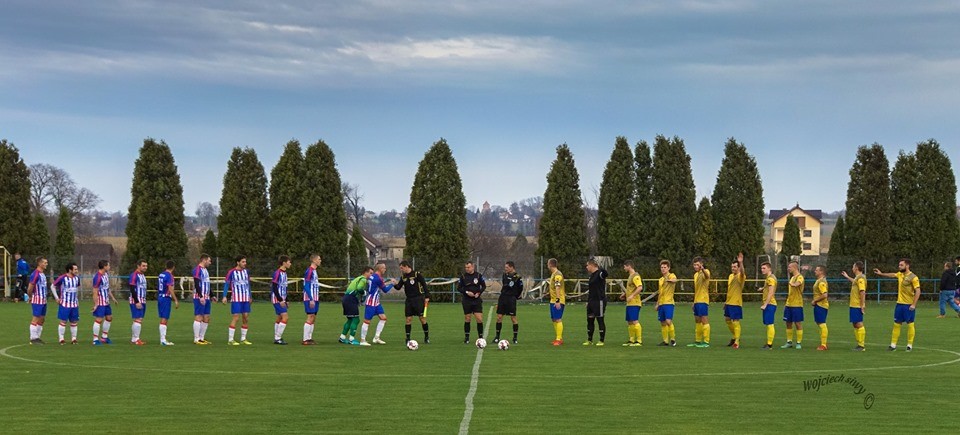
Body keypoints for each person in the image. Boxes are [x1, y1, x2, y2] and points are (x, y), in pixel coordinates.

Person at [874, 259, 921, 351]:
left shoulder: (913, 277)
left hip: (908, 305)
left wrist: (914, 304)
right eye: (899, 265)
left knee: (910, 324)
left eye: (901, 265)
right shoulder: (900, 274)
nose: (899, 266)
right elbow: (892, 274)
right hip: (899, 304)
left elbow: (918, 291)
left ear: (907, 266)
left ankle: (909, 345)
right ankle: (893, 345)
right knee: (896, 324)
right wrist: (881, 274)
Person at [395, 260, 431, 345]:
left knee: (422, 319)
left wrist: (427, 296)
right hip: (409, 300)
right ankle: (407, 338)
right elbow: (398, 287)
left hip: (418, 299)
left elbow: (424, 285)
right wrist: (394, 284)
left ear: (406, 266)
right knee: (408, 319)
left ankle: (426, 337)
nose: (401, 270)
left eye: (402, 268)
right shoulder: (403, 277)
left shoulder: (417, 274)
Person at [359, 262, 396, 346]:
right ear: (380, 269)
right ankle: (362, 340)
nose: (385, 269)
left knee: (383, 318)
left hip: (376, 302)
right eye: (384, 268)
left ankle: (376, 338)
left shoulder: (373, 276)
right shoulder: (378, 278)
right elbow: (385, 290)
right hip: (371, 302)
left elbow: (377, 286)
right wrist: (392, 284)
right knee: (367, 321)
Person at [222, 256, 253, 346]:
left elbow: (248, 285)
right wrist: (224, 296)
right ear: (237, 262)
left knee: (246, 317)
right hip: (236, 298)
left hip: (245, 298)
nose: (245, 263)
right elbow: (227, 284)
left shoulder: (246, 272)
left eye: (245, 262)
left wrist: (250, 296)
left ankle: (243, 338)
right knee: (236, 317)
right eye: (243, 262)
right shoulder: (231, 272)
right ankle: (230, 339)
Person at [340, 267, 372, 345]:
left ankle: (342, 337)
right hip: (351, 299)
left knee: (350, 319)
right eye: (370, 273)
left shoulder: (358, 278)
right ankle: (351, 339)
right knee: (356, 319)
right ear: (365, 272)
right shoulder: (363, 279)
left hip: (346, 298)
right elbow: (359, 288)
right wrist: (363, 292)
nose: (371, 275)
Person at [52, 263, 81, 345]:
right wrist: (57, 298)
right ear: (70, 270)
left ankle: (74, 339)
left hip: (74, 304)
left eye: (77, 269)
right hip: (65, 303)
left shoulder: (77, 279)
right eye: (75, 269)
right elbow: (52, 286)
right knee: (63, 321)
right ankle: (61, 339)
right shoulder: (62, 278)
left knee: (74, 321)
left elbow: (76, 289)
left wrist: (77, 299)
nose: (76, 271)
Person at [841, 261, 867, 351]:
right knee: (855, 324)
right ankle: (859, 344)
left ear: (856, 268)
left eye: (853, 266)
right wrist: (847, 277)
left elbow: (862, 292)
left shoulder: (860, 279)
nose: (852, 268)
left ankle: (861, 345)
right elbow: (855, 282)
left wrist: (862, 305)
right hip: (853, 304)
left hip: (857, 305)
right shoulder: (858, 278)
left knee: (859, 323)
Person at [459, 261, 488, 344]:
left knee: (479, 319)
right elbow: (459, 288)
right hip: (466, 300)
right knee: (467, 318)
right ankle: (467, 337)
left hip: (476, 300)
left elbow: (484, 286)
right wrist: (467, 292)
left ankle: (481, 338)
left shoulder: (478, 276)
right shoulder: (463, 277)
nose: (467, 269)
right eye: (466, 267)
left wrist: (479, 293)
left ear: (473, 267)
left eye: (468, 267)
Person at [494, 261, 522, 345]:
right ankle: (497, 337)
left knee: (513, 318)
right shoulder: (504, 275)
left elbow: (520, 288)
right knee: (499, 317)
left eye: (506, 267)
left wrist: (515, 296)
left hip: (511, 299)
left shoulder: (517, 277)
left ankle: (515, 338)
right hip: (503, 298)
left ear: (511, 267)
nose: (505, 269)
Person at [91, 260, 118, 345]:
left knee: (109, 318)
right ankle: (95, 339)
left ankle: (104, 337)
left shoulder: (106, 275)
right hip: (100, 302)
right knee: (99, 319)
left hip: (106, 301)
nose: (109, 267)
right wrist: (96, 304)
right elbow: (95, 291)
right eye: (108, 266)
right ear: (104, 266)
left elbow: (107, 288)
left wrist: (113, 298)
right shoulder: (97, 277)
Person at [583, 259, 609, 346]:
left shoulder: (600, 274)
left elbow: (605, 274)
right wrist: (588, 301)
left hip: (599, 301)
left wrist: (601, 266)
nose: (586, 267)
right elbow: (591, 290)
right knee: (590, 320)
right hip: (591, 302)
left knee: (600, 320)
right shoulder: (591, 276)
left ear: (592, 265)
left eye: (587, 265)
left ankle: (601, 340)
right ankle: (589, 339)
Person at [653, 260, 678, 347]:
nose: (663, 269)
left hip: (669, 302)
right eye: (662, 267)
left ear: (668, 268)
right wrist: (657, 303)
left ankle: (673, 339)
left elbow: (674, 280)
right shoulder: (660, 280)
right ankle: (665, 341)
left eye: (665, 267)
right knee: (663, 322)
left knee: (668, 321)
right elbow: (660, 293)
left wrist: (669, 280)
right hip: (661, 303)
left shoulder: (671, 275)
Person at [724, 253, 746, 349]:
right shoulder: (730, 276)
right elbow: (729, 290)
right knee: (727, 320)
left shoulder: (740, 276)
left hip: (736, 302)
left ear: (738, 268)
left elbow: (743, 273)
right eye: (732, 266)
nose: (733, 268)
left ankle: (737, 341)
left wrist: (741, 263)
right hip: (729, 302)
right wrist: (726, 302)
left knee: (735, 321)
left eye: (735, 267)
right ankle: (735, 336)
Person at [781, 261, 805, 349]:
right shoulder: (792, 278)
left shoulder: (800, 277)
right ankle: (789, 342)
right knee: (788, 323)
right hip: (789, 304)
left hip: (797, 305)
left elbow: (798, 283)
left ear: (795, 268)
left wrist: (794, 284)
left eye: (789, 267)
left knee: (798, 323)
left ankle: (798, 342)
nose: (788, 269)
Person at [689, 257, 712, 348]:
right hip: (697, 300)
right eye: (694, 265)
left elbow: (707, 276)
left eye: (697, 264)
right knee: (697, 320)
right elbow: (696, 290)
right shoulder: (695, 275)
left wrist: (703, 269)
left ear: (701, 264)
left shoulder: (705, 271)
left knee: (704, 320)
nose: (695, 266)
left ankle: (706, 342)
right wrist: (694, 302)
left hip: (703, 300)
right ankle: (698, 341)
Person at [618, 260, 641, 347]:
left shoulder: (635, 276)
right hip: (630, 303)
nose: (624, 268)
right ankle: (631, 340)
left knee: (635, 321)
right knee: (630, 321)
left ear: (629, 266)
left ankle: (639, 341)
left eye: (624, 266)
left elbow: (640, 287)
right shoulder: (630, 276)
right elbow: (632, 288)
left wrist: (631, 296)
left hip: (635, 302)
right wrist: (625, 294)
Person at [27, 257, 49, 345]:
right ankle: (33, 338)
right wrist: (30, 296)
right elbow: (30, 287)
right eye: (45, 262)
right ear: (39, 264)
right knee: (35, 318)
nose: (46, 264)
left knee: (42, 319)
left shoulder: (42, 274)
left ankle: (38, 337)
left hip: (43, 300)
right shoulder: (35, 274)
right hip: (37, 299)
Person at [157, 260, 180, 346]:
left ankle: (163, 339)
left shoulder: (161, 274)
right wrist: (176, 300)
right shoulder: (169, 276)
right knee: (165, 318)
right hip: (166, 298)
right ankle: (163, 340)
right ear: (173, 267)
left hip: (160, 297)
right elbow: (170, 288)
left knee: (163, 317)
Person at [192, 254, 213, 345]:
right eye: (209, 260)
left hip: (207, 297)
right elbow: (196, 283)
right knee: (199, 316)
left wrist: (212, 295)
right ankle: (196, 339)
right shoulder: (197, 270)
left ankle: (201, 338)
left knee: (206, 317)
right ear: (204, 260)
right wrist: (200, 296)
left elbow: (207, 284)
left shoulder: (205, 270)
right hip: (199, 297)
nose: (210, 262)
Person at [272, 255, 292, 345]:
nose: (290, 264)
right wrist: (280, 300)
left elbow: (285, 288)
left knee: (280, 317)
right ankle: (278, 338)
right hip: (277, 299)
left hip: (282, 298)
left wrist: (286, 299)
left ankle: (276, 337)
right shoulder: (277, 273)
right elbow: (274, 287)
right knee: (285, 317)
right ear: (284, 263)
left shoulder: (285, 273)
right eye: (289, 262)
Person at [302, 254, 322, 345]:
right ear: (314, 260)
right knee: (310, 316)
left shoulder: (314, 271)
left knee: (313, 317)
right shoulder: (309, 271)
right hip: (310, 298)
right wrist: (311, 298)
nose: (320, 260)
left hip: (315, 298)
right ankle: (305, 339)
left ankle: (309, 338)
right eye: (319, 259)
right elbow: (306, 286)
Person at [129, 260, 149, 346]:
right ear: (138, 266)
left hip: (143, 300)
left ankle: (134, 339)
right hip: (136, 300)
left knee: (138, 319)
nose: (145, 267)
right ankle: (137, 339)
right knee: (138, 319)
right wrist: (137, 301)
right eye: (143, 266)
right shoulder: (134, 275)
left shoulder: (142, 275)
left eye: (146, 266)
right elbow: (132, 288)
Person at [545, 258, 565, 346]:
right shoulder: (553, 274)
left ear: (550, 264)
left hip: (558, 300)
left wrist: (557, 300)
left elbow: (557, 287)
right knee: (553, 319)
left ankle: (559, 339)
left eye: (547, 263)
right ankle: (558, 337)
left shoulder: (558, 274)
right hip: (553, 300)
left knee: (558, 319)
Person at [759, 262, 778, 350]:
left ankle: (769, 345)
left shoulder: (770, 279)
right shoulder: (769, 278)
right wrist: (762, 288)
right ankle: (768, 343)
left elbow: (771, 292)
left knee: (770, 324)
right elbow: (769, 288)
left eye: (764, 268)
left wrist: (765, 304)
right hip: (769, 304)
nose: (762, 270)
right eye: (761, 268)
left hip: (770, 304)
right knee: (768, 323)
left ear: (769, 269)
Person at [811, 265, 829, 351]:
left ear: (821, 272)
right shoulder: (819, 280)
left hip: (821, 305)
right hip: (820, 305)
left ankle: (823, 345)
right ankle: (823, 342)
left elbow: (824, 294)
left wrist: (815, 301)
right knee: (819, 323)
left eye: (816, 270)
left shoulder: (821, 282)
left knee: (822, 323)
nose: (815, 271)